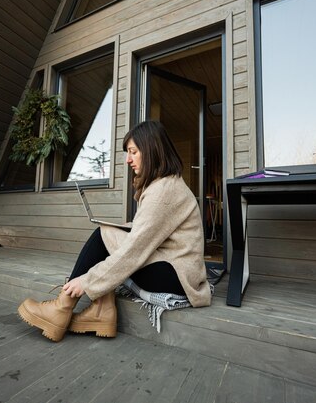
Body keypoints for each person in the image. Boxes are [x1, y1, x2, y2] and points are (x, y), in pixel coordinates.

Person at [18, 120, 211, 342]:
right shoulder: (165, 185)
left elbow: (135, 250)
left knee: (104, 237)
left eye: (133, 152)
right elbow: (148, 232)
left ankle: (62, 307)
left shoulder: (164, 191)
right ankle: (102, 312)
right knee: (109, 235)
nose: (128, 159)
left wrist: (88, 281)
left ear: (151, 151)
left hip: (175, 277)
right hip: (172, 267)